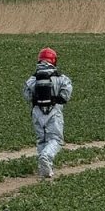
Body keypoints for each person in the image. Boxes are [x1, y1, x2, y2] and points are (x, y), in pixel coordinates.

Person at [22, 47, 73, 180]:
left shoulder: (32, 79)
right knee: (56, 139)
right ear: (54, 60)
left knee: (42, 139)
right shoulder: (61, 78)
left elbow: (27, 95)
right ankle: (46, 157)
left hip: (37, 112)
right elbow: (66, 95)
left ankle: (44, 167)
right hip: (54, 111)